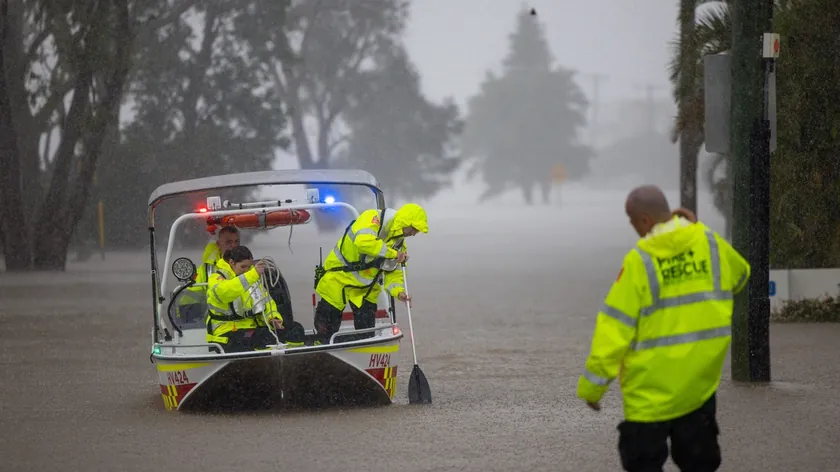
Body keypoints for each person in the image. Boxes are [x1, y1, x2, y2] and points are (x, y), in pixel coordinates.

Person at [576, 185, 751, 472]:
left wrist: (593, 389)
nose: (633, 228)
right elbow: (741, 276)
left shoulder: (639, 261)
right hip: (698, 388)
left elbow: (614, 330)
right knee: (700, 465)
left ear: (645, 220)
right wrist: (695, 231)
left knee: (643, 465)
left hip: (648, 396)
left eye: (632, 221)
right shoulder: (709, 242)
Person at [313, 203, 429, 343]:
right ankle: (325, 348)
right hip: (338, 279)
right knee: (326, 331)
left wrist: (399, 292)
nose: (414, 233)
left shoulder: (399, 245)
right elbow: (364, 243)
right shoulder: (372, 218)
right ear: (406, 221)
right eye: (414, 229)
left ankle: (351, 349)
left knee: (367, 337)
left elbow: (393, 273)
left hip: (365, 291)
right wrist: (392, 254)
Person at [205, 245, 299, 352]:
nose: (246, 270)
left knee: (295, 331)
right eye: (243, 267)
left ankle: (294, 358)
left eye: (249, 267)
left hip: (251, 328)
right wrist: (252, 274)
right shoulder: (217, 278)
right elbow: (225, 293)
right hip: (226, 332)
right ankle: (267, 360)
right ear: (231, 263)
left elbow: (266, 302)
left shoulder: (251, 278)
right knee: (265, 338)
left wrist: (272, 318)